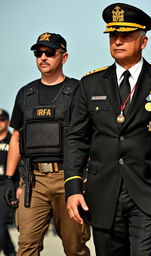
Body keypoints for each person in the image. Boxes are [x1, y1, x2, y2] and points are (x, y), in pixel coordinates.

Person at [64, 3, 151, 256]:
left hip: (150, 191)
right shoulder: (89, 84)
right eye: (114, 36)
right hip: (102, 195)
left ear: (143, 41)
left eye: (126, 36)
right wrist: (73, 188)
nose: (118, 41)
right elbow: (76, 140)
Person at [4, 32, 90, 255]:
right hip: (34, 182)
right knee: (27, 246)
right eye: (38, 53)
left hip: (69, 179)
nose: (43, 57)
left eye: (50, 53)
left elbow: (90, 136)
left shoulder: (79, 91)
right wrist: (10, 180)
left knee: (74, 248)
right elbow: (16, 137)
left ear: (64, 57)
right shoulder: (25, 94)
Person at [0, 109, 18, 256]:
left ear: (7, 121)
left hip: (6, 186)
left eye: (2, 119)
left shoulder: (13, 140)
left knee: (1, 222)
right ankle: (11, 252)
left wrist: (18, 186)